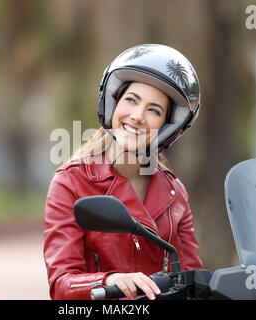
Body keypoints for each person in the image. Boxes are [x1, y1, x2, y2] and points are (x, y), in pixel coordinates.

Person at [44, 44, 203, 300]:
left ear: (167, 127)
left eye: (154, 110)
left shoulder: (175, 192)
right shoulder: (70, 183)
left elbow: (194, 279)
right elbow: (62, 284)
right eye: (131, 100)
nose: (138, 116)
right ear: (113, 104)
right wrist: (109, 279)